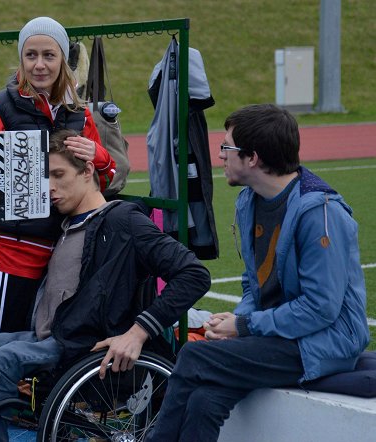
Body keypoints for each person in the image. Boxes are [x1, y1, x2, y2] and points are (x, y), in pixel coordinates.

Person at [0, 129, 211, 442]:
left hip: (82, 342)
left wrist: (138, 331)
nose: (49, 187)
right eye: (45, 177)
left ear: (87, 171)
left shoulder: (123, 221)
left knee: (0, 359)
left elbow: (194, 274)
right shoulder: (65, 220)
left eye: (58, 174)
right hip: (55, 333)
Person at [148, 104, 370, 442]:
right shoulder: (249, 201)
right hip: (278, 335)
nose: (220, 155)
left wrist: (245, 325)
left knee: (194, 356)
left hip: (325, 341)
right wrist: (241, 320)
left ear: (252, 157)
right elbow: (254, 283)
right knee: (204, 400)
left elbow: (320, 309)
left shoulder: (321, 214)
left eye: (227, 147)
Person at [0, 16, 116, 337]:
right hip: (9, 256)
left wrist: (100, 157)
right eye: (31, 55)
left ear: (63, 60)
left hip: (63, 262)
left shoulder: (78, 116)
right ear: (22, 59)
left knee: (37, 360)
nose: (39, 65)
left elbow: (99, 184)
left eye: (49, 55)